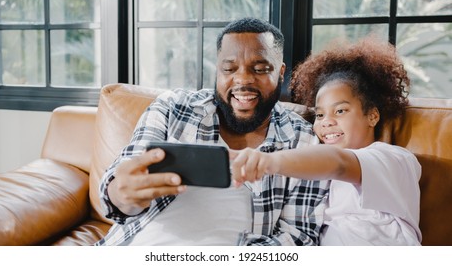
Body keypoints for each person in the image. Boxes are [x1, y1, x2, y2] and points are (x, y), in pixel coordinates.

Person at [95, 17, 329, 246]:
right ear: (217, 70)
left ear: (280, 71)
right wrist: (121, 193)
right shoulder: (173, 107)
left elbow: (300, 236)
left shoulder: (304, 140)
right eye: (229, 68)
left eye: (260, 69)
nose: (243, 79)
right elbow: (121, 182)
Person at [229, 37, 422, 245]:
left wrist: (268, 161)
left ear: (372, 116)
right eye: (319, 115)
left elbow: (339, 163)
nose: (326, 122)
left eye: (340, 111)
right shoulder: (316, 180)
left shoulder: (393, 160)